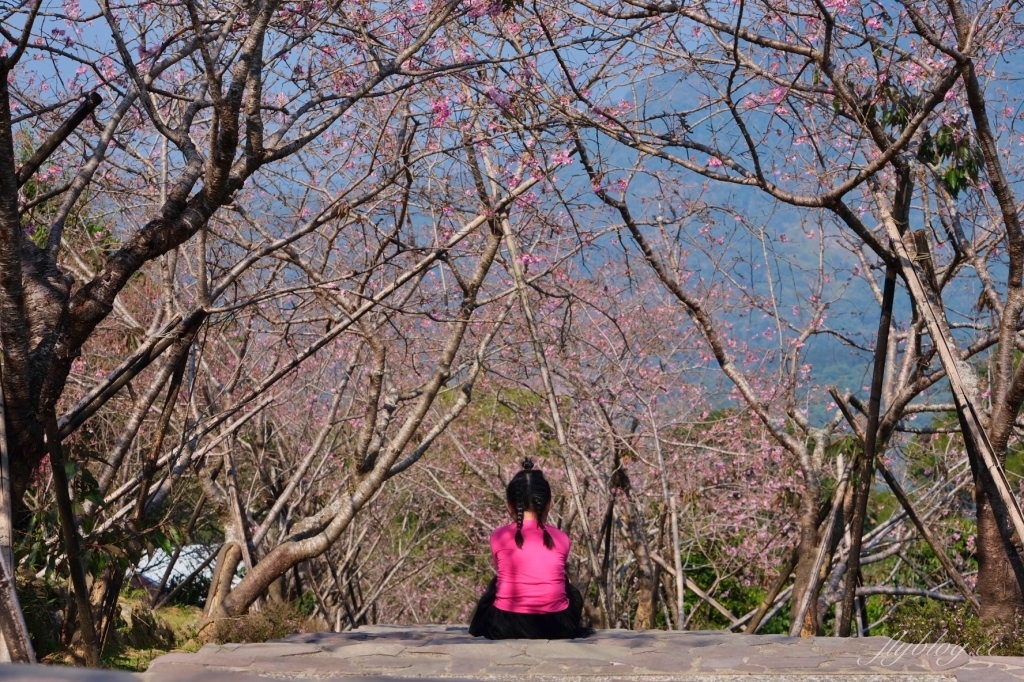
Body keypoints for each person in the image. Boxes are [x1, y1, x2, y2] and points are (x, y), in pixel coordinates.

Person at [468, 459, 589, 639]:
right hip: (555, 625)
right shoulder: (562, 538)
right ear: (549, 504)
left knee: (498, 581)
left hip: (506, 625)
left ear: (509, 505)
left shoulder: (498, 536)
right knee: (566, 586)